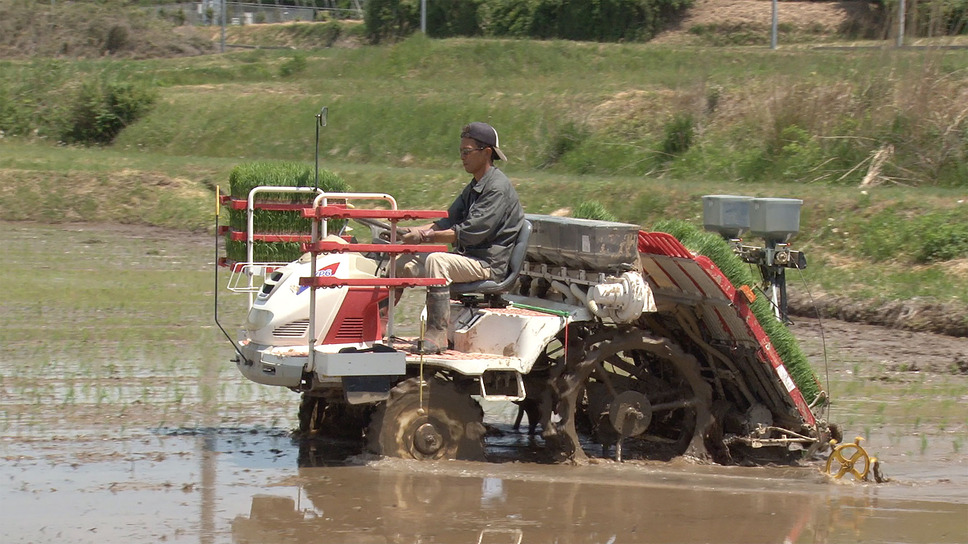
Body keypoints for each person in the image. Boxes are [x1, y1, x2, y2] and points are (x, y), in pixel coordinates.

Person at [398, 122, 525, 354]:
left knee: (437, 261)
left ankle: (437, 334)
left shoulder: (497, 188)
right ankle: (378, 323)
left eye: (467, 152)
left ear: (486, 152)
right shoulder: (475, 185)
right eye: (461, 152)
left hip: (487, 264)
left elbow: (469, 232)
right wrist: (408, 232)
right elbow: (446, 221)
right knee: (401, 260)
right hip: (468, 258)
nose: (462, 157)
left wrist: (424, 236)